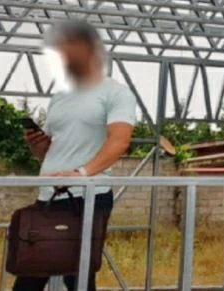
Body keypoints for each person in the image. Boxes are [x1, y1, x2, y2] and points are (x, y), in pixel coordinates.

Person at [14, 20, 136, 291]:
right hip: (49, 194)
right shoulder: (59, 97)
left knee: (76, 276)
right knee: (33, 268)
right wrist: (36, 144)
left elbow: (120, 141)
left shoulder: (115, 92)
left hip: (87, 196)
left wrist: (81, 174)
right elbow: (50, 150)